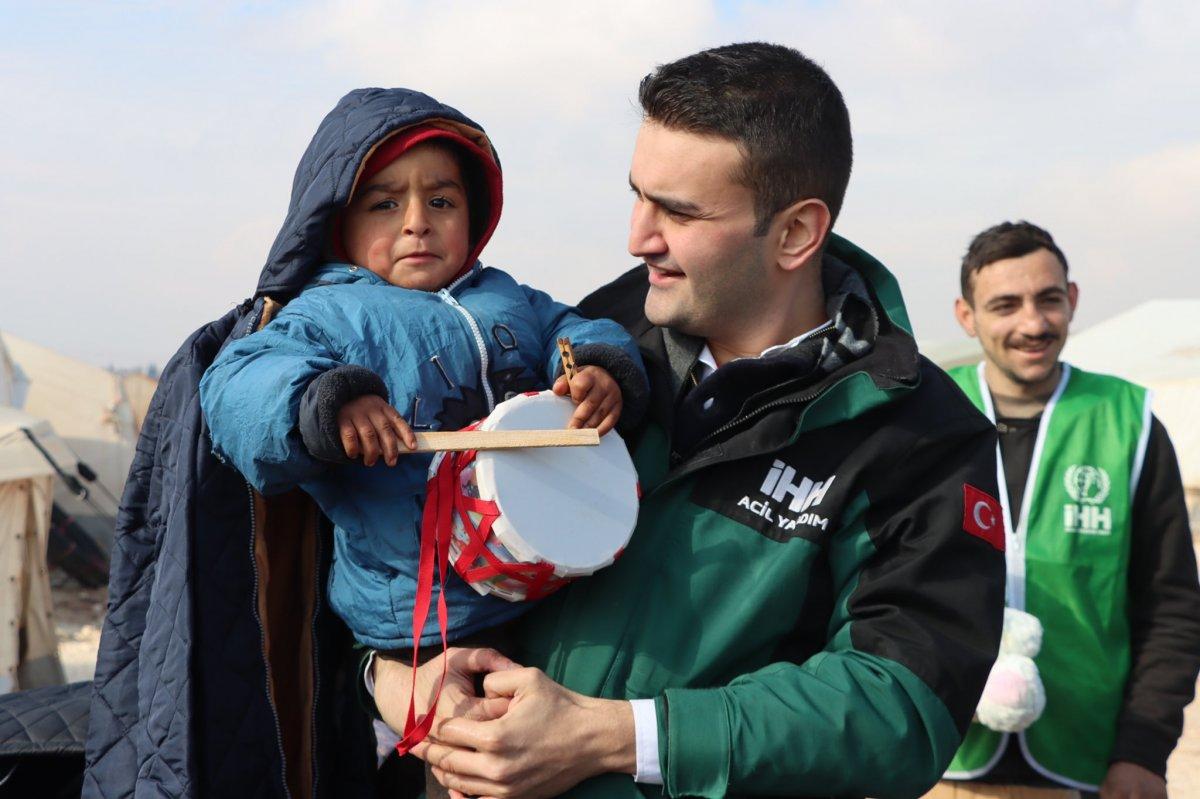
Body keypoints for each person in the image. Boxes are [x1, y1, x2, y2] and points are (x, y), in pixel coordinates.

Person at [371, 42, 1009, 799]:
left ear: (797, 233)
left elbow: (902, 706)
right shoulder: (581, 339)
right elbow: (397, 531)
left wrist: (615, 736)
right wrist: (404, 671)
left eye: (678, 211)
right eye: (639, 195)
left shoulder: (919, 432)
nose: (639, 236)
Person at [82, 88, 646, 799]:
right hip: (420, 626)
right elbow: (240, 387)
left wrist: (596, 366)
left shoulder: (506, 296)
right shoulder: (323, 313)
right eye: (384, 204)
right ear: (335, 223)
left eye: (441, 201)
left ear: (472, 214)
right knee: (465, 771)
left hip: (550, 592)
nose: (417, 223)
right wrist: (330, 400)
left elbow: (576, 324)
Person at [930, 221, 1200, 799]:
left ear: (1071, 299)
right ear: (966, 315)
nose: (1033, 324)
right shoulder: (926, 418)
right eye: (1005, 305)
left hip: (1086, 764)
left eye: (1048, 299)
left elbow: (1172, 605)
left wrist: (1143, 752)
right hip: (937, 761)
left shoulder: (1128, 423)